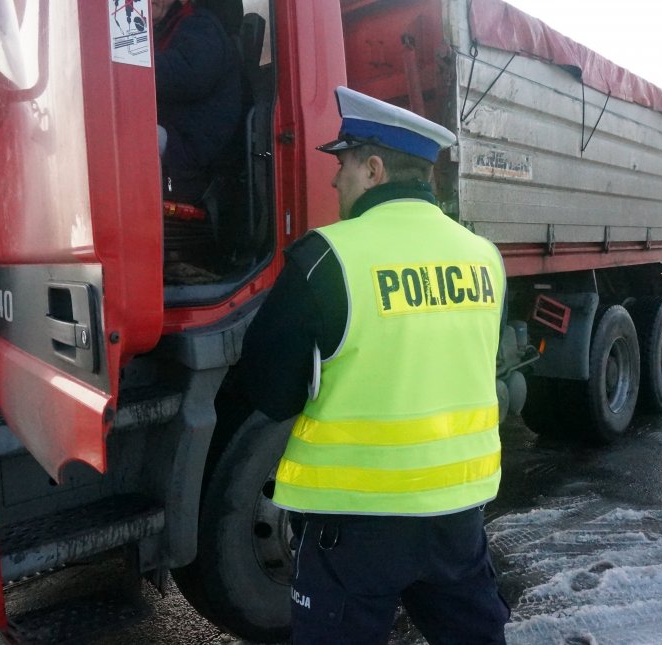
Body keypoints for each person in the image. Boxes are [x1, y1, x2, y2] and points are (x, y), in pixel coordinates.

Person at [236, 86, 511, 644]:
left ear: (374, 170)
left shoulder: (325, 258)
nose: (335, 180)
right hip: (458, 518)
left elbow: (268, 392)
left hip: (353, 528)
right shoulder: (485, 257)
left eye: (343, 165)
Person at [152, 0, 243, 204]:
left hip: (187, 145)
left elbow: (188, 75)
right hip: (179, 136)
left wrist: (135, 66)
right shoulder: (171, 26)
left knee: (130, 138)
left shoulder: (202, 26)